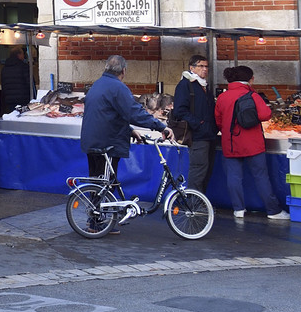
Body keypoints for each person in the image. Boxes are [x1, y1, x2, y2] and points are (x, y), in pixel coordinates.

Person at [78, 55, 170, 232]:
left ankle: (99, 220)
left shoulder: (98, 84)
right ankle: (96, 223)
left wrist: (129, 130)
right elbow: (134, 112)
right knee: (104, 183)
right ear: (124, 71)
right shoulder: (117, 87)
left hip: (94, 141)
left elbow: (108, 115)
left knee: (98, 180)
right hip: (107, 143)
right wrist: (160, 126)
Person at [215, 66, 289, 221]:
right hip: (252, 143)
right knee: (261, 177)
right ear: (250, 79)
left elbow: (218, 121)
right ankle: (273, 211)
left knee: (233, 177)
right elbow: (266, 114)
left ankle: (238, 209)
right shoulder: (252, 95)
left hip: (231, 142)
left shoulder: (223, 97)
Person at [171, 54, 215, 192]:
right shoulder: (185, 85)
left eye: (206, 66)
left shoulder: (204, 86)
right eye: (201, 66)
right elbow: (179, 110)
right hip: (197, 135)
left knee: (206, 170)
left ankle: (201, 202)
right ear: (192, 68)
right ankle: (194, 204)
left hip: (208, 134)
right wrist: (199, 124)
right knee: (198, 170)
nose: (205, 69)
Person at [0, 48, 32, 113]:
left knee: (13, 117)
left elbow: (3, 84)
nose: (24, 56)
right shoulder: (24, 67)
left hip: (9, 99)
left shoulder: (4, 68)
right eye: (23, 54)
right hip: (23, 99)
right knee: (23, 118)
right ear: (19, 55)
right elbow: (30, 83)